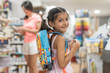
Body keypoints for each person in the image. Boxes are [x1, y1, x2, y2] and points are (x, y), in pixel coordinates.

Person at [41, 7, 80, 73]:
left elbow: (57, 55)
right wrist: (74, 50)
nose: (65, 23)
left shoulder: (54, 35)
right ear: (51, 23)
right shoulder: (60, 38)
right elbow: (62, 64)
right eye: (60, 20)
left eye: (66, 19)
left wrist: (69, 47)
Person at [17, 1, 42, 73]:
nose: (24, 11)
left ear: (29, 8)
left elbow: (38, 31)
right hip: (26, 43)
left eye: (25, 9)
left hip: (33, 42)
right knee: (29, 65)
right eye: (23, 10)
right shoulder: (25, 19)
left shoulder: (36, 17)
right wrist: (20, 31)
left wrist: (25, 29)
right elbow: (24, 33)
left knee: (34, 65)